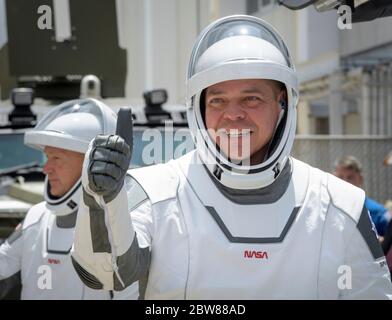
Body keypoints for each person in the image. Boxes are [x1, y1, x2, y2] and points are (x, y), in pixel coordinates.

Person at [71, 15, 392, 299]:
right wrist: (100, 201)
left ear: (283, 103)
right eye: (218, 101)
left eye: (251, 98)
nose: (233, 115)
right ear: (198, 108)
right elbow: (105, 274)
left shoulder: (341, 205)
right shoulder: (152, 192)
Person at [0, 98, 136, 299]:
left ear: (89, 163)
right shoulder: (36, 218)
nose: (46, 168)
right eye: (47, 158)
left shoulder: (122, 226)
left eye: (56, 158)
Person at [334, 155, 391, 238]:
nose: (344, 182)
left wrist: (379, 242)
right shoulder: (327, 210)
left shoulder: (378, 213)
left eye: (350, 177)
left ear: (360, 179)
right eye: (340, 177)